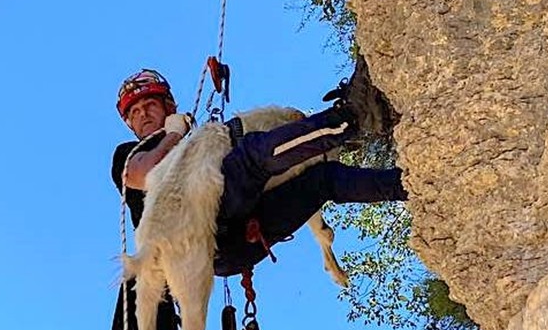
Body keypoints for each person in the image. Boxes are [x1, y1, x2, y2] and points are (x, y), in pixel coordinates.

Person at [111, 67, 407, 277]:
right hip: (204, 233)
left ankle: (409, 184)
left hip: (232, 242)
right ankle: (353, 116)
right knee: (252, 156)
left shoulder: (193, 146)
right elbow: (146, 175)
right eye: (134, 112)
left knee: (323, 180)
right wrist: (174, 133)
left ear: (168, 107)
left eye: (149, 105)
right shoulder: (129, 154)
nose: (143, 114)